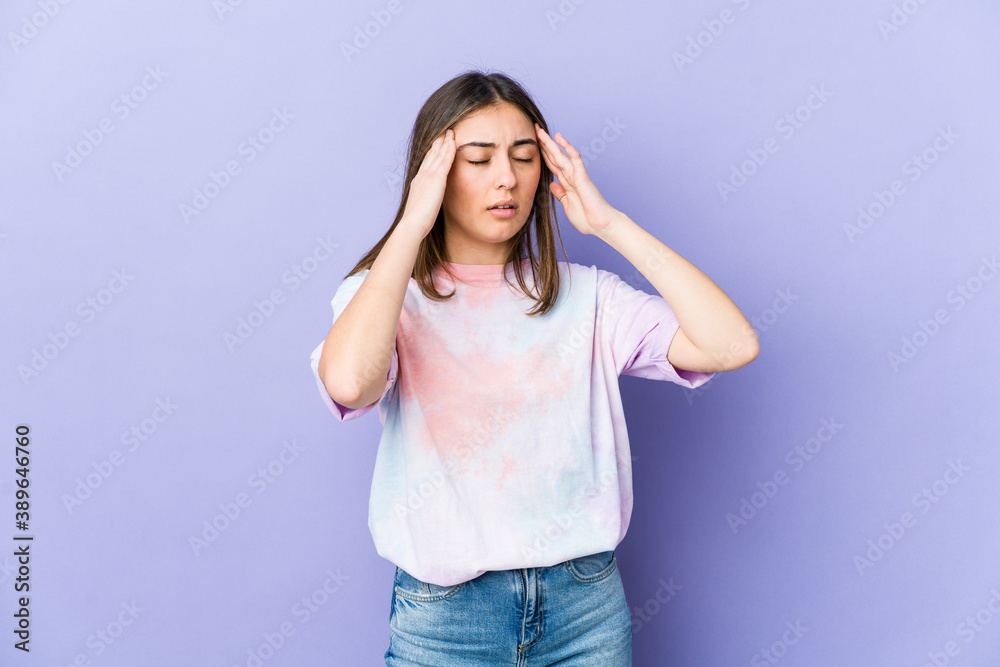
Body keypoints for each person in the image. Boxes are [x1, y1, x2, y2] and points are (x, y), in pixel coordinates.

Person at [309, 69, 759, 666]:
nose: (507, 178)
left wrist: (608, 225)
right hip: (447, 618)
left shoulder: (589, 298)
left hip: (585, 611)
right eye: (479, 159)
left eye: (524, 157)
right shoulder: (384, 297)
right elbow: (349, 382)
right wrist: (413, 226)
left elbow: (731, 345)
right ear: (434, 172)